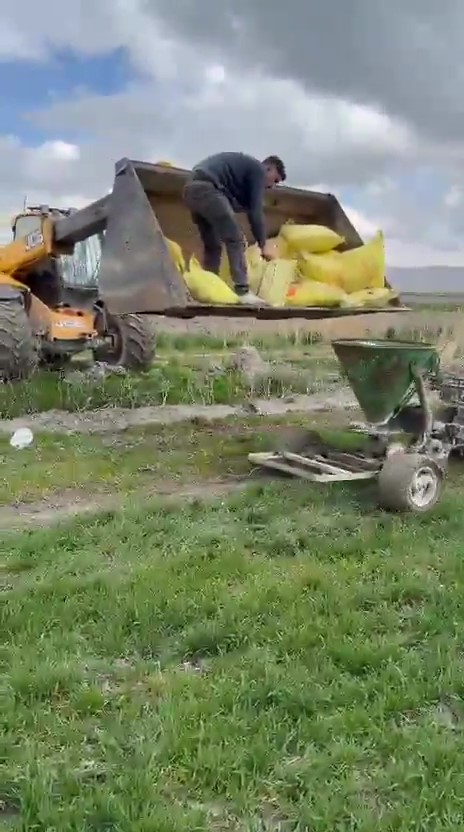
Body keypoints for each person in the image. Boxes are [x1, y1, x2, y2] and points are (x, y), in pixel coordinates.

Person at [183, 152, 286, 305]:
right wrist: (263, 245)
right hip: (208, 189)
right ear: (268, 168)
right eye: (275, 180)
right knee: (236, 239)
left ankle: (210, 288)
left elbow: (239, 204)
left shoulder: (242, 171)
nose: (272, 186)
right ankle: (242, 291)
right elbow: (255, 212)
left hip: (191, 190)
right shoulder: (258, 169)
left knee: (213, 245)